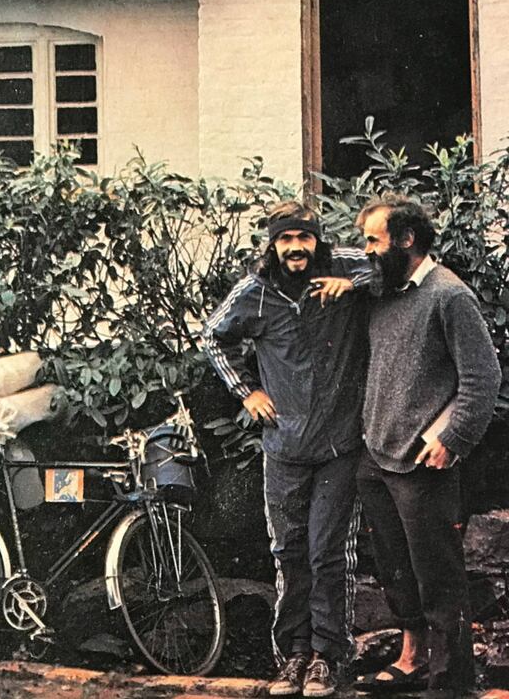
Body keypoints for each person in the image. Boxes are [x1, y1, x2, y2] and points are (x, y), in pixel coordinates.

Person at [203, 201, 372, 697]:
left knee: (328, 553)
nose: (296, 248)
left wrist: (353, 285)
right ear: (272, 245)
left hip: (340, 443)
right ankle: (293, 656)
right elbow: (212, 337)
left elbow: (395, 268)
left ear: (316, 240)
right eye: (285, 240)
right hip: (284, 446)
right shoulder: (255, 292)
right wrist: (246, 391)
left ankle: (326, 657)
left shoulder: (342, 266)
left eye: (304, 238)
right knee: (289, 550)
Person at [354, 195, 501, 699]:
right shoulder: (384, 292)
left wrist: (453, 438)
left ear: (407, 239)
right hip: (376, 458)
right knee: (396, 573)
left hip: (422, 465)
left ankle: (451, 684)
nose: (366, 250)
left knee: (439, 581)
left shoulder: (448, 295)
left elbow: (483, 380)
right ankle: (412, 661)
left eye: (374, 239)